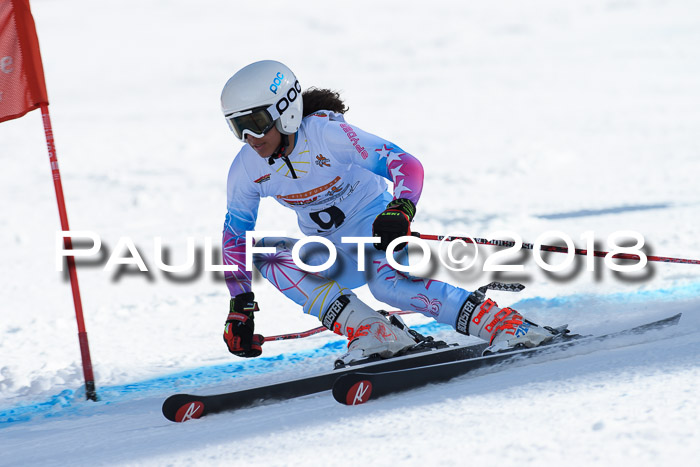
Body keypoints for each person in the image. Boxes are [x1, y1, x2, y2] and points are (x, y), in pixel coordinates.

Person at [220, 60, 557, 364]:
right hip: (332, 253)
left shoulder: (326, 136)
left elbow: (405, 164)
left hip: (376, 230)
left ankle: (508, 325)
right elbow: (234, 236)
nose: (250, 138)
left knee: (388, 287)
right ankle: (376, 332)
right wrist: (241, 306)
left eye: (257, 123)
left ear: (286, 111)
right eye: (238, 127)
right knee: (266, 254)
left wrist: (400, 208)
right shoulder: (246, 169)